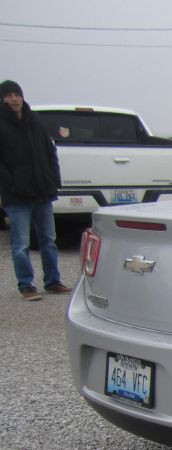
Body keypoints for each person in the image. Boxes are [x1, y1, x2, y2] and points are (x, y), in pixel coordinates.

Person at [0, 80, 71, 301]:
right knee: (21, 244)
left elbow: (50, 151)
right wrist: (11, 184)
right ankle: (26, 286)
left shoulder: (35, 121)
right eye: (9, 95)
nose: (14, 99)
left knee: (49, 240)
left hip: (43, 192)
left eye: (17, 95)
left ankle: (52, 281)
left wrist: (53, 179)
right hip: (17, 196)